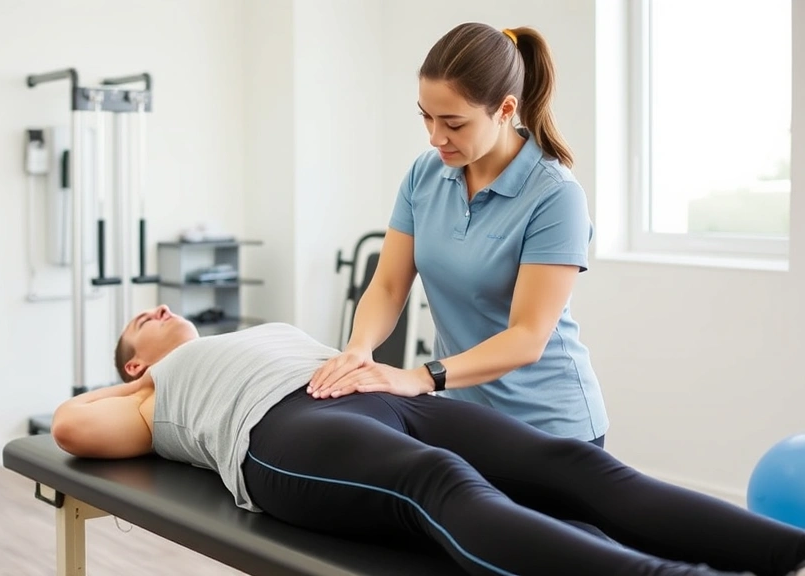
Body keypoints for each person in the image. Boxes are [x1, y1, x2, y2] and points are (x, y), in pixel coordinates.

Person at [51, 304, 805, 576]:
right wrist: (142, 380)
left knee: (573, 463)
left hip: (382, 392)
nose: (155, 307)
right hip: (282, 432)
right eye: (139, 327)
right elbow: (69, 426)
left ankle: (786, 551)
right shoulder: (153, 393)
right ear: (134, 363)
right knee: (439, 482)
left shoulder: (256, 329)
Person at [308, 22, 608, 446]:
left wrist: (421, 377)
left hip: (549, 429)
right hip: (464, 417)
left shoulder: (556, 196)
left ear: (505, 110)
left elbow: (527, 337)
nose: (435, 137)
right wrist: (358, 348)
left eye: (453, 123)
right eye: (426, 117)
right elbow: (390, 285)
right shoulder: (424, 175)